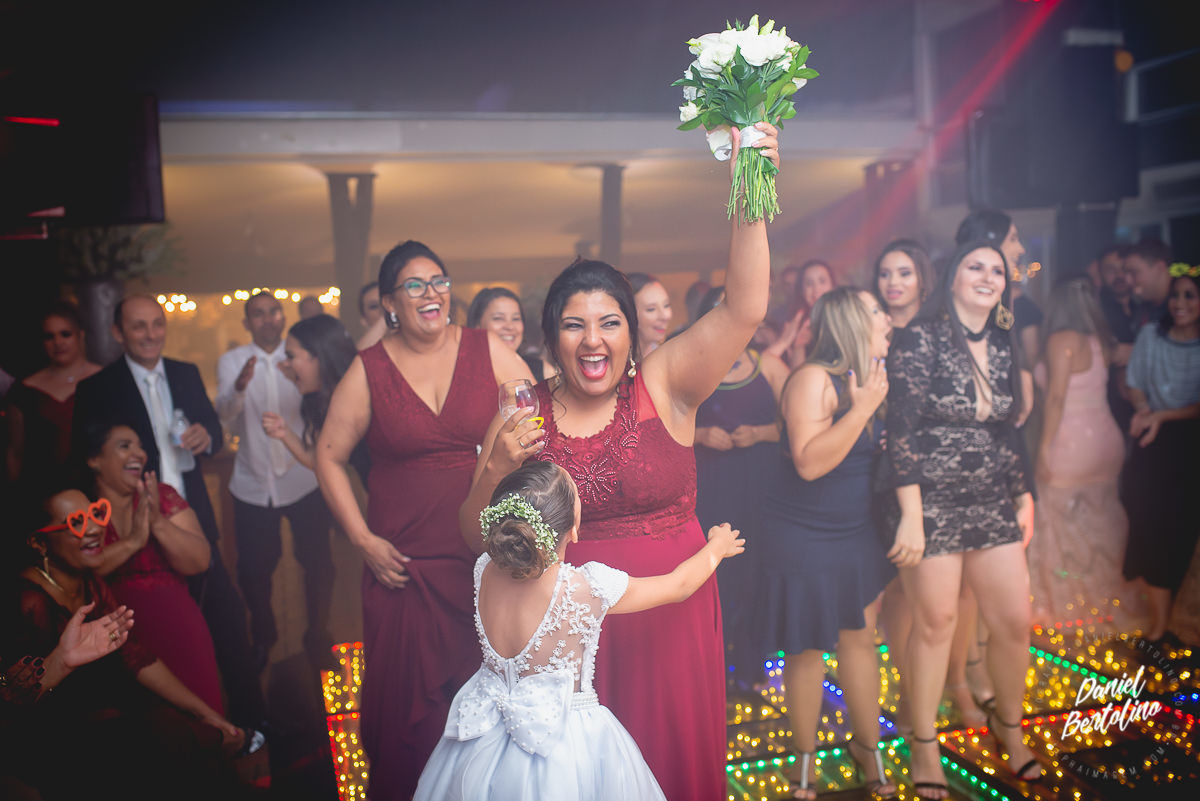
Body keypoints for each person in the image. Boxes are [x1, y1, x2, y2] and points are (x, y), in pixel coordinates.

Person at [461, 123, 780, 801]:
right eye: (574, 324)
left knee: (673, 765)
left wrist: (750, 186)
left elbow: (745, 308)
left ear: (632, 333)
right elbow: (472, 537)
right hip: (571, 636)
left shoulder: (666, 383)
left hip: (672, 617)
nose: (593, 339)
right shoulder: (523, 411)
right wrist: (494, 468)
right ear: (551, 338)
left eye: (610, 322)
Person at [314, 240, 533, 800]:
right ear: (390, 302)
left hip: (482, 564)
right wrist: (362, 539)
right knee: (405, 718)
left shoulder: (489, 350)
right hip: (401, 569)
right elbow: (329, 456)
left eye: (438, 281)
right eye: (414, 285)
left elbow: (537, 426)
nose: (431, 293)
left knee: (486, 708)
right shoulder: (369, 369)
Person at [415, 461, 744, 801]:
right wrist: (717, 547)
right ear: (573, 529)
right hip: (566, 742)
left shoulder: (483, 569)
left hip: (481, 738)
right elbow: (679, 586)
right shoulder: (587, 587)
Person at [883, 240, 1041, 799]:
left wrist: (1024, 495)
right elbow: (900, 430)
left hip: (991, 496)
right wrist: (911, 515)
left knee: (1014, 622)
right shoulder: (919, 338)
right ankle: (924, 743)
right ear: (952, 277)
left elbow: (1006, 430)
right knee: (936, 623)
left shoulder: (1001, 342)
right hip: (930, 500)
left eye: (997, 270)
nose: (988, 276)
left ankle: (1010, 727)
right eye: (976, 266)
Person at [70, 295, 265, 729]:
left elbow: (214, 431)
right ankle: (183, 731)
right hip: (131, 523)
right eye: (138, 326)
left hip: (190, 517)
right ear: (118, 332)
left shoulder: (185, 372)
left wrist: (206, 437)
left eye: (157, 324)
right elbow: (84, 460)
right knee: (154, 634)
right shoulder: (97, 388)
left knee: (227, 620)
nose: (150, 334)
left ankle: (251, 727)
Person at [4, 485, 251, 801]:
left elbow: (133, 655)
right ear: (39, 543)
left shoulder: (90, 583)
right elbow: (14, 701)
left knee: (180, 732)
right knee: (168, 737)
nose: (95, 529)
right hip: (57, 744)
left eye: (96, 514)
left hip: (108, 724)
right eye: (77, 522)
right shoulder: (27, 602)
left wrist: (208, 715)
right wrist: (58, 665)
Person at [759, 288, 898, 800]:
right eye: (876, 311)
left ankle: (868, 748)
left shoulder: (873, 376)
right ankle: (804, 760)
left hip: (855, 532)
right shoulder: (813, 378)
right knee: (807, 646)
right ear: (851, 322)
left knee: (861, 639)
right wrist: (862, 411)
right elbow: (809, 462)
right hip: (805, 534)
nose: (887, 318)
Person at [217, 291, 335, 672]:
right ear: (246, 322)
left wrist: (295, 377)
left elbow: (319, 403)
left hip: (303, 478)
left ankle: (317, 636)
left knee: (319, 564)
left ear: (283, 317)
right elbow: (225, 415)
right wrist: (239, 386)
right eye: (259, 314)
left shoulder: (299, 357)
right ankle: (264, 636)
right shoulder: (232, 361)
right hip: (253, 482)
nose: (268, 319)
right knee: (254, 570)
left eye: (274, 312)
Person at [82, 420, 223, 713]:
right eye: (125, 446)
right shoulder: (82, 508)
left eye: (140, 447)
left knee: (206, 725)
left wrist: (157, 522)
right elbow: (82, 573)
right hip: (119, 645)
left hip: (181, 632)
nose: (139, 454)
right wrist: (134, 541)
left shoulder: (162, 496)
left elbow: (200, 561)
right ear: (94, 459)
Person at [692, 285, 788, 687]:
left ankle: (752, 668)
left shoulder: (769, 365)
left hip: (760, 489)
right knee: (715, 577)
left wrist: (761, 432)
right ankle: (714, 671)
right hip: (710, 490)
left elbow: (800, 428)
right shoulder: (692, 367)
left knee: (756, 573)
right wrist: (701, 435)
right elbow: (659, 428)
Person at [1028, 278, 1138, 630]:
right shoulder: (1102, 341)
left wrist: (1044, 448)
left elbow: (1056, 398)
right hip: (1106, 440)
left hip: (1072, 443)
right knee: (1101, 523)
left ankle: (1070, 606)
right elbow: (1138, 353)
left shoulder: (1062, 340)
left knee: (1060, 522)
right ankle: (1104, 601)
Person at [1121, 267, 1200, 643]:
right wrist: (1144, 410)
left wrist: (1162, 416)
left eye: (1189, 295)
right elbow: (1134, 382)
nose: (1180, 303)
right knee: (1150, 530)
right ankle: (1158, 627)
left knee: (1183, 534)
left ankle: (1179, 624)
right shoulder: (1151, 335)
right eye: (1175, 295)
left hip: (1190, 446)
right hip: (1154, 446)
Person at [5, 302, 101, 487]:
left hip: (96, 488)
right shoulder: (24, 390)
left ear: (80, 335)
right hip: (39, 490)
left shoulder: (105, 380)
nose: (58, 343)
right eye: (49, 336)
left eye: (65, 334)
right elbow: (15, 452)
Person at [264, 313, 368, 479]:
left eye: (291, 356)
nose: (284, 364)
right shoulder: (319, 401)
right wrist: (284, 433)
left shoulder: (364, 394)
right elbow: (320, 461)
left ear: (319, 355)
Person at [466, 286, 556, 381]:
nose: (510, 326)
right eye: (498, 318)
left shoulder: (543, 371)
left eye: (516, 319)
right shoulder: (464, 372)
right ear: (477, 325)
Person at [1095, 244, 1137, 435]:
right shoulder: (1095, 309)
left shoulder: (1147, 305)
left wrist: (1134, 352)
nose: (1119, 275)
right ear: (1100, 274)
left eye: (1123, 269)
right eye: (1110, 270)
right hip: (1109, 403)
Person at [873, 239, 933, 330]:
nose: (892, 282)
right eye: (884, 274)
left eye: (904, 274)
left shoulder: (942, 330)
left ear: (923, 278)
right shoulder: (869, 330)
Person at [1123, 238, 1173, 332]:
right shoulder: (1142, 308)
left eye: (1134, 272)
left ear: (1159, 267)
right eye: (1126, 273)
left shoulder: (1185, 309)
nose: (1128, 281)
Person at [627, 273, 674, 356]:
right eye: (651, 309)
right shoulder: (617, 360)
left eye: (666, 305)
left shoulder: (662, 355)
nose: (665, 316)